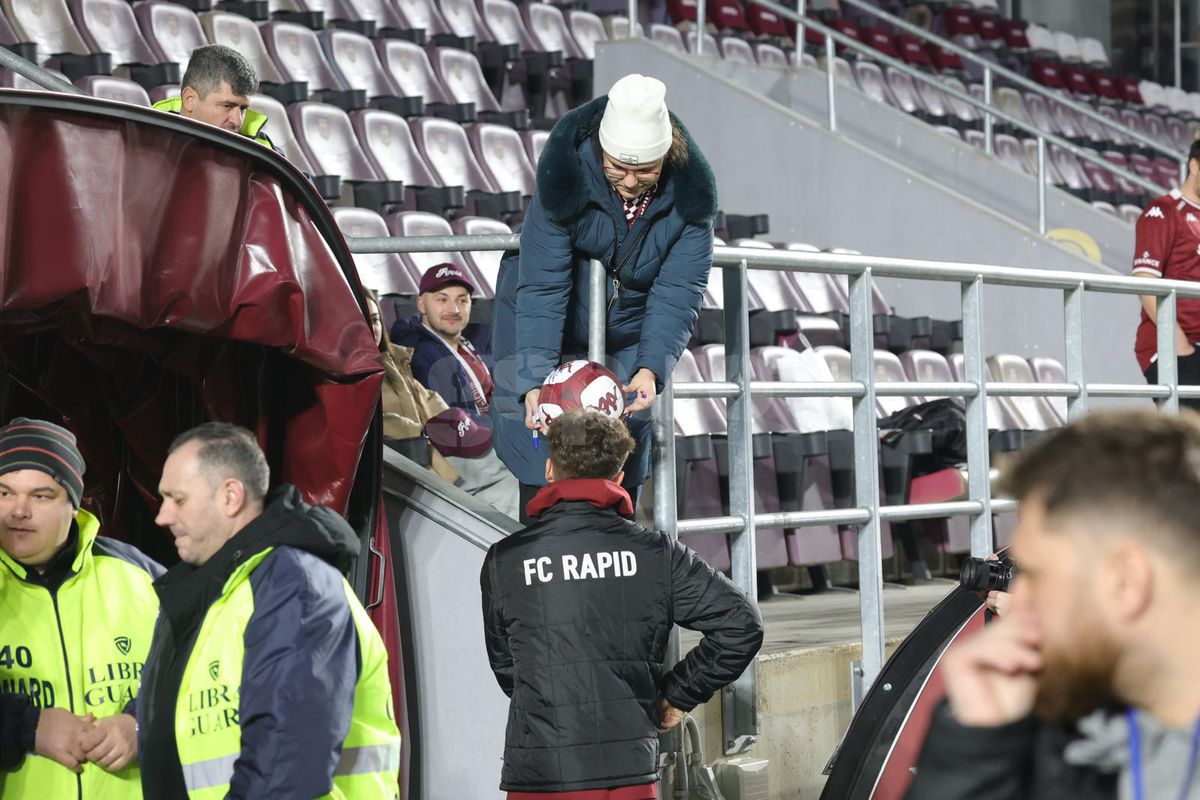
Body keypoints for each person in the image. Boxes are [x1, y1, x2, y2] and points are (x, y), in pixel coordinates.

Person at [907, 410, 1200, 799]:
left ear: (1127, 583)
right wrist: (973, 749)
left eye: (1038, 574)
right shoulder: (1066, 736)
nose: (1019, 597)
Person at [480, 410, 763, 797]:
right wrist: (677, 695)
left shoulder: (504, 559)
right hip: (629, 772)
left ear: (550, 469)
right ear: (618, 477)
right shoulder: (657, 553)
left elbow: (506, 667)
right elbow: (742, 624)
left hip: (539, 771)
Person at [489, 73, 717, 521]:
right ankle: (542, 545)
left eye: (645, 170)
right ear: (600, 148)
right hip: (544, 318)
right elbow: (543, 286)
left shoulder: (691, 202)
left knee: (620, 437)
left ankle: (614, 553)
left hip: (626, 327)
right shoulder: (563, 177)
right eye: (618, 167)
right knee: (539, 431)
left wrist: (652, 367)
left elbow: (678, 292)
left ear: (668, 156)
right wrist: (534, 380)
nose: (630, 182)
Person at [136, 422, 400, 799]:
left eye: (177, 499)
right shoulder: (215, 590)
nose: (162, 516)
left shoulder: (295, 587)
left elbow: (285, 766)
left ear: (230, 496)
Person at [0, 417, 163, 796]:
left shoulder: (140, 576)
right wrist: (28, 726)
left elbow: (207, 672)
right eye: (4, 493)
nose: (17, 511)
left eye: (40, 496)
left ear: (74, 504)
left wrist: (140, 724)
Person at [392, 264, 519, 517]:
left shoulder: (468, 344)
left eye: (462, 300)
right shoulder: (417, 350)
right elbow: (447, 419)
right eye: (442, 300)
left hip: (483, 437)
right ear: (420, 304)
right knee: (522, 474)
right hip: (452, 448)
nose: (454, 309)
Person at [1133, 138, 1200, 411]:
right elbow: (1144, 282)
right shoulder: (1163, 211)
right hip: (1174, 345)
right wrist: (1178, 343)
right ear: (1194, 166)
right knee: (1188, 440)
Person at [151, 45, 275, 150]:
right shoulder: (147, 141)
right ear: (190, 99)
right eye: (227, 106)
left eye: (242, 109)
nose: (237, 121)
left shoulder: (263, 149)